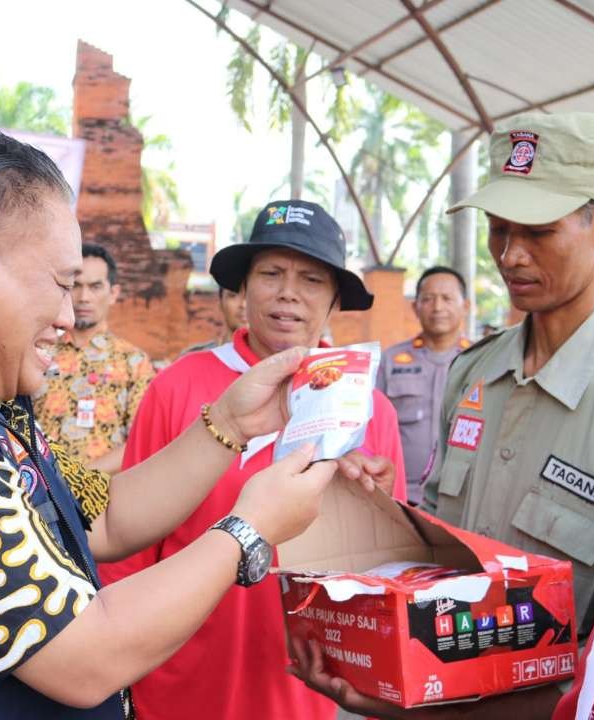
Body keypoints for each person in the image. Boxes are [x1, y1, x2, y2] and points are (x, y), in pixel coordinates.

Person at [0, 127, 381, 719]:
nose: (71, 317)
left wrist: (227, 423)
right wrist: (251, 530)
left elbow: (102, 516)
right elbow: (84, 657)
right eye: (62, 283)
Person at [288, 112, 594, 718]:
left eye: (538, 232)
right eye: (498, 229)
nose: (510, 255)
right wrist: (394, 517)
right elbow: (451, 559)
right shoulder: (475, 374)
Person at [99, 198, 407, 720]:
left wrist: (371, 510)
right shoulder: (179, 386)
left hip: (302, 697)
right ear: (241, 290)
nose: (289, 291)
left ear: (335, 301)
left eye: (312, 279)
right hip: (175, 692)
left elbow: (385, 579)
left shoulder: (370, 411)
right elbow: (124, 553)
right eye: (271, 273)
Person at [33, 244, 154, 474]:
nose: (84, 297)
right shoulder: (38, 351)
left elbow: (140, 442)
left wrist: (78, 480)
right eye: (76, 286)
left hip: (103, 499)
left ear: (113, 293)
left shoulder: (133, 362)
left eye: (95, 286)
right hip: (38, 491)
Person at [377, 265, 471, 504]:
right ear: (415, 307)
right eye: (428, 299)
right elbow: (374, 429)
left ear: (466, 306)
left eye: (447, 298)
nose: (438, 307)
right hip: (404, 495)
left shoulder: (483, 361)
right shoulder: (390, 361)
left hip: (463, 498)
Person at [179, 286, 248, 356]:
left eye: (250, 295)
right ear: (220, 303)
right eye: (233, 296)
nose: (243, 304)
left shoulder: (259, 361)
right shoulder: (193, 358)